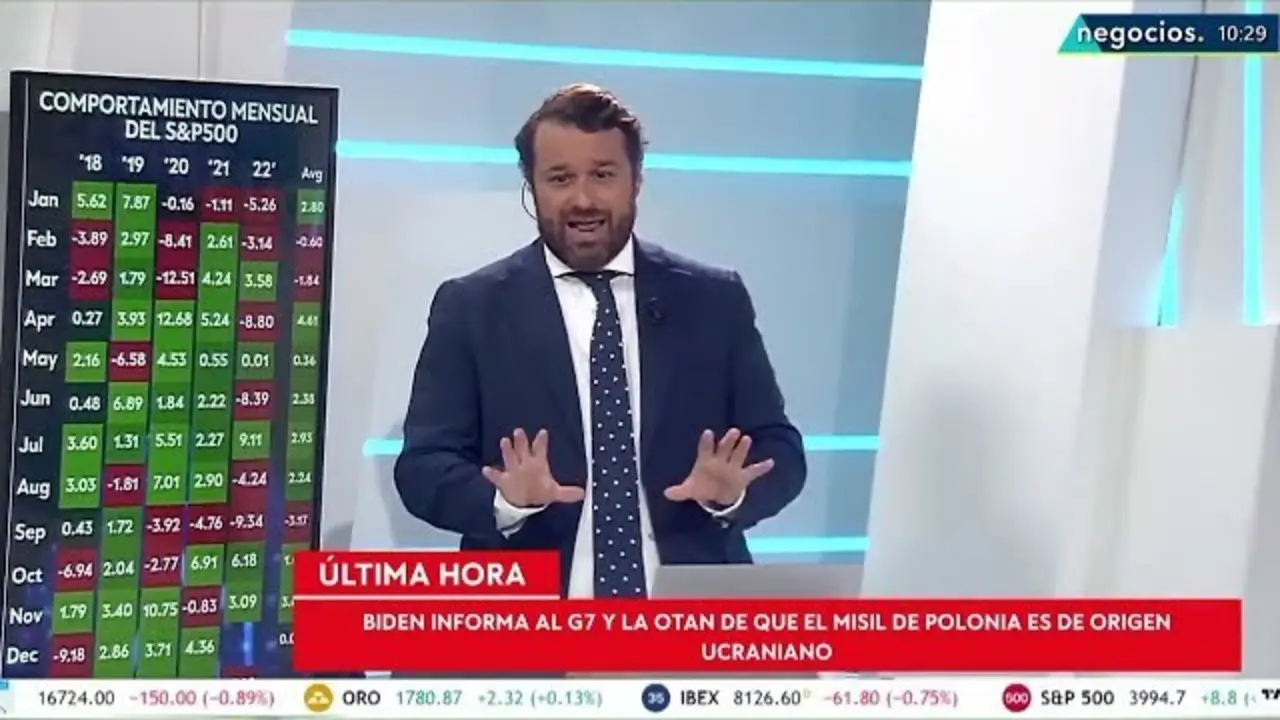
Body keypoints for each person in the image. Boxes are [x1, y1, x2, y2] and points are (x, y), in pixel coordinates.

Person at [394, 83, 806, 598]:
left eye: (603, 175)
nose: (583, 199)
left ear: (637, 180)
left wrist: (735, 494)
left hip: (687, 613)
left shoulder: (713, 300)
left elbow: (780, 448)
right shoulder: (472, 308)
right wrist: (504, 502)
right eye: (560, 178)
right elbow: (423, 467)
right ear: (531, 186)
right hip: (529, 620)